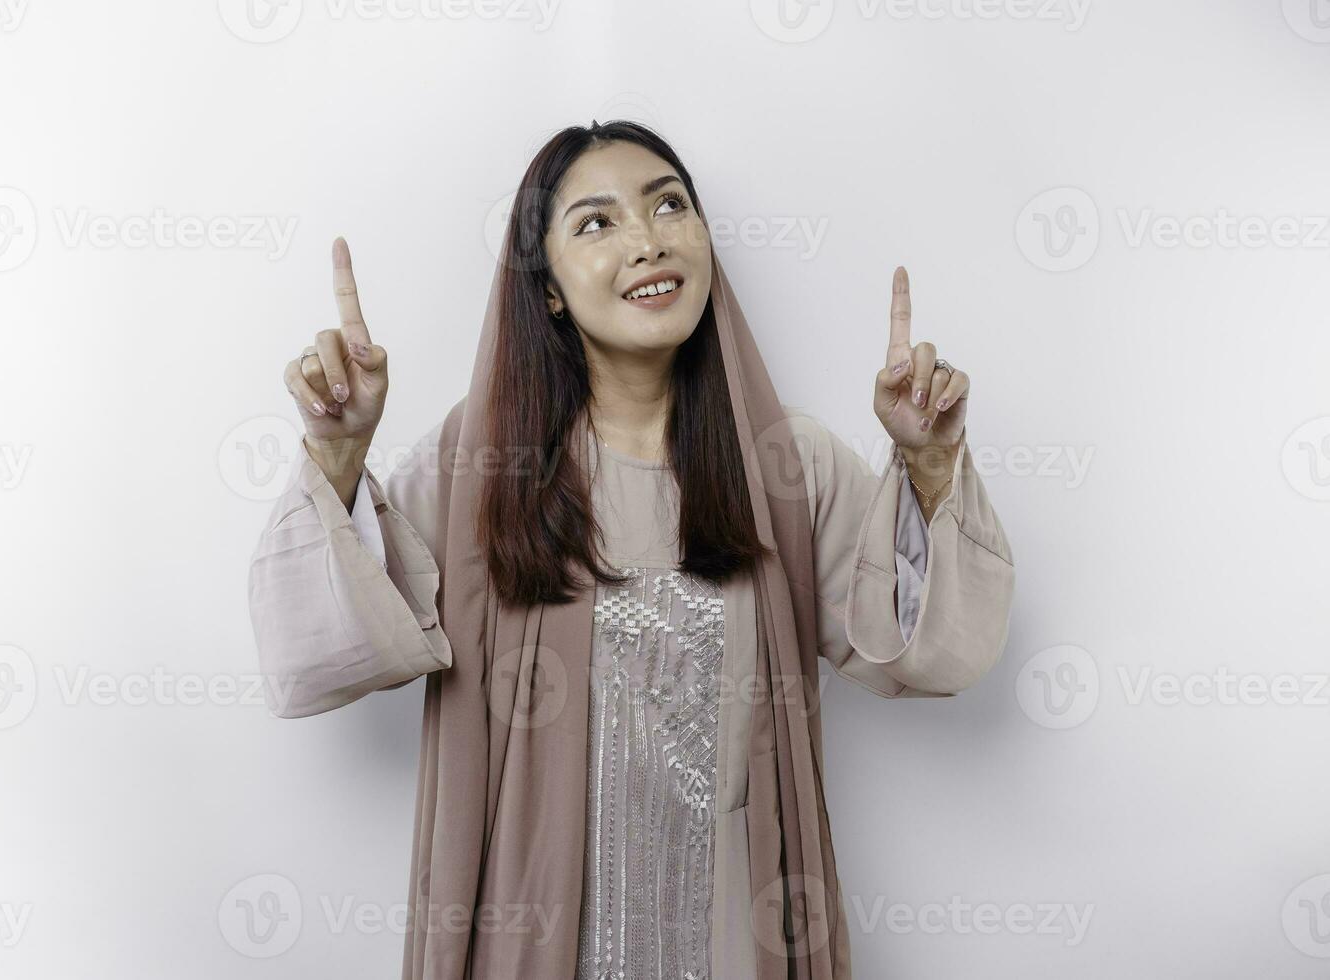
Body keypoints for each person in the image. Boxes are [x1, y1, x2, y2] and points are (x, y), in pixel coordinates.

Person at [247, 120, 1015, 980]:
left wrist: (932, 463)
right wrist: (340, 453)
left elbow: (928, 653)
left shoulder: (784, 464)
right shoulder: (483, 463)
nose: (648, 242)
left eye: (669, 206)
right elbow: (314, 654)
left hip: (734, 937)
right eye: (596, 223)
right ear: (547, 292)